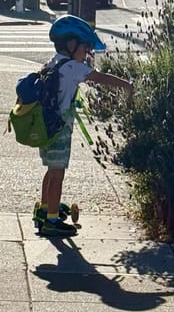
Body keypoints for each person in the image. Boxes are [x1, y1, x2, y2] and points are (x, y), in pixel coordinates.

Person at [32, 15, 134, 237]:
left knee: (51, 171)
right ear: (71, 44)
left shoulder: (54, 62)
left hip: (46, 127)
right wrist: (126, 85)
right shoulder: (73, 67)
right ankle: (51, 221)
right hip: (59, 130)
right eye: (85, 47)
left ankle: (43, 209)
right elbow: (100, 78)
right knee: (58, 175)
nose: (88, 52)